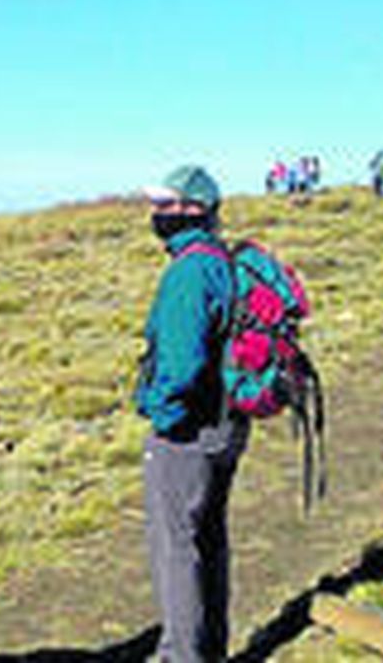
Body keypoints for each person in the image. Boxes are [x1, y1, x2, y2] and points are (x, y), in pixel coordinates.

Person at [136, 165, 250, 662]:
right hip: (227, 423)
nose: (157, 214)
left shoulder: (188, 271)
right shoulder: (219, 259)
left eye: (167, 205)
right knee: (209, 537)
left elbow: (182, 365)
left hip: (189, 429)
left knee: (177, 548)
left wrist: (159, 412)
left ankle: (182, 655)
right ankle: (211, 649)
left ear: (194, 209)